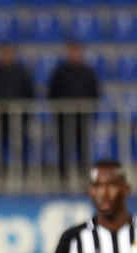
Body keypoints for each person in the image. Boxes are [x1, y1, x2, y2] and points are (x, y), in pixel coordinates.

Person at [0, 44, 35, 177]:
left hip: (18, 118)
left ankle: (22, 172)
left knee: (21, 145)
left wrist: (24, 111)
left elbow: (29, 94)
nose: (6, 56)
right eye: (4, 53)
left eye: (9, 53)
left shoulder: (22, 73)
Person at [47, 41, 100, 182]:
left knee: (83, 146)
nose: (74, 54)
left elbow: (95, 93)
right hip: (64, 116)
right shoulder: (60, 72)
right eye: (71, 51)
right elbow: (52, 92)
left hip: (82, 116)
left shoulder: (88, 72)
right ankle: (63, 177)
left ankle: (84, 175)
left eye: (76, 51)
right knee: (64, 147)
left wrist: (87, 106)